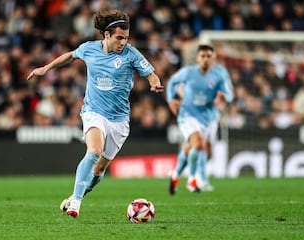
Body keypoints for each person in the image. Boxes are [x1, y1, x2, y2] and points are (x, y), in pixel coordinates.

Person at [27, 9, 163, 218]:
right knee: (94, 151)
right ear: (106, 35)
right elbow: (69, 56)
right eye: (119, 37)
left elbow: (151, 74)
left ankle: (75, 196)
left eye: (126, 38)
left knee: (99, 171)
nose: (123, 42)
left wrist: (155, 84)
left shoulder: (131, 54)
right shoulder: (89, 49)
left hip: (119, 120)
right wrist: (46, 68)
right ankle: (76, 203)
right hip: (93, 112)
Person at [166, 45, 233, 194]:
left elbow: (228, 94)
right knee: (198, 143)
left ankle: (175, 174)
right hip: (187, 114)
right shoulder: (188, 72)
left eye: (209, 56)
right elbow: (172, 82)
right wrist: (171, 100)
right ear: (198, 58)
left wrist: (224, 97)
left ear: (213, 58)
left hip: (207, 117)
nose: (206, 59)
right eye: (203, 56)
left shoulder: (218, 76)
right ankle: (192, 181)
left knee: (196, 148)